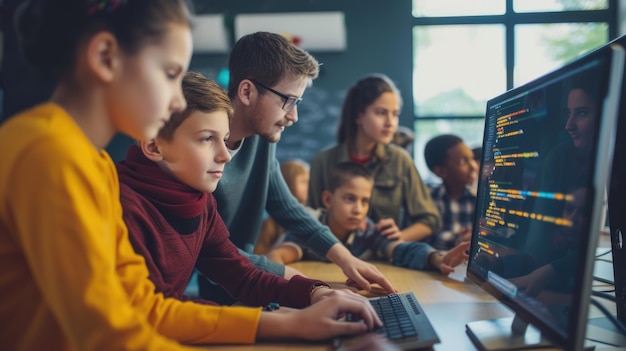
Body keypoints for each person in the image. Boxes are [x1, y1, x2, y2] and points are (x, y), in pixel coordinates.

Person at [0, 2, 381, 349]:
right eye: (170, 73)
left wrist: (287, 321)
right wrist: (279, 321)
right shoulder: (49, 153)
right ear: (105, 56)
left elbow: (145, 308)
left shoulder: (94, 164)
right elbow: (109, 334)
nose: (179, 99)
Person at [118, 71, 358, 309]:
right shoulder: (123, 210)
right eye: (206, 139)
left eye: (224, 139)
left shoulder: (200, 202)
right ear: (153, 145)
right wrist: (282, 323)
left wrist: (315, 292)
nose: (225, 156)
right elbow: (158, 310)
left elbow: (242, 276)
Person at [198, 32, 396, 303]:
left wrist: (343, 256)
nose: (294, 116)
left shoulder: (262, 138)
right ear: (247, 92)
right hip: (205, 291)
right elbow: (208, 253)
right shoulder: (199, 148)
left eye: (297, 103)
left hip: (245, 285)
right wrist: (306, 284)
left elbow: (287, 207)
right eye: (287, 100)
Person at [267, 162, 470, 276]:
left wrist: (436, 258)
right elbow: (278, 256)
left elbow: (400, 249)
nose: (358, 209)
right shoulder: (311, 226)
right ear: (328, 199)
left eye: (365, 201)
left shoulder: (366, 229)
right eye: (349, 199)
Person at [308, 74, 441, 245]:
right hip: (332, 258)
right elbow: (309, 220)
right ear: (359, 116)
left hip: (384, 259)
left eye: (395, 114)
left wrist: (399, 237)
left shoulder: (400, 160)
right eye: (381, 113)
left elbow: (430, 219)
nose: (390, 122)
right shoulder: (323, 162)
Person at [424, 134, 478, 250]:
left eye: (472, 158)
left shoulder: (479, 198)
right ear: (441, 171)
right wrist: (456, 239)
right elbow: (427, 235)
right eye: (463, 162)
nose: (473, 166)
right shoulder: (429, 197)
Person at [254, 158, 310, 255]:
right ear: (287, 183)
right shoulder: (270, 224)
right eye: (303, 182)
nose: (308, 186)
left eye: (308, 182)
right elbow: (259, 252)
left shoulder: (309, 214)